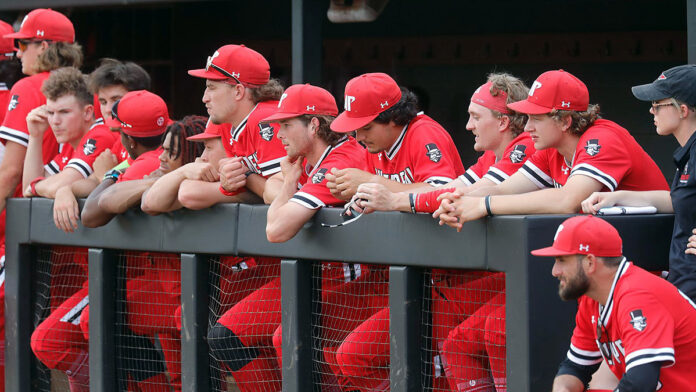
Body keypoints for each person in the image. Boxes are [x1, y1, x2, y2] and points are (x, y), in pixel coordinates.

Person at [436, 69, 669, 229]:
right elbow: (503, 190)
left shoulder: (603, 138)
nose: (527, 127)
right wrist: (457, 200)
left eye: (536, 118)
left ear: (565, 121)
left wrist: (483, 206)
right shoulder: (550, 147)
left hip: (652, 262)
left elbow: (568, 200)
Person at [23, 67, 115, 392]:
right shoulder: (67, 146)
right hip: (89, 269)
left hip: (121, 269)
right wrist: (35, 137)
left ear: (88, 112)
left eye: (63, 112)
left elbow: (42, 186)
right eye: (51, 112)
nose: (55, 121)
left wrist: (59, 187)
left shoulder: (99, 134)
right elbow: (29, 188)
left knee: (48, 341)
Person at [531, 215, 696, 392]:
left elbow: (640, 382)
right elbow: (575, 367)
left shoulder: (638, 295)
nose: (555, 271)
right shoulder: (592, 298)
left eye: (562, 260)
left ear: (590, 262)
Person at [581, 65, 696, 302]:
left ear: (683, 110)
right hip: (684, 287)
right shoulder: (689, 152)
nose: (651, 111)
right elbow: (678, 200)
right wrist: (617, 196)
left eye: (657, 104)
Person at [186, 44, 286, 200]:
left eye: (212, 87)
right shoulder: (228, 123)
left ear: (238, 91)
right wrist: (229, 182)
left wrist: (245, 175)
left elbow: (281, 196)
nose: (204, 98)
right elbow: (245, 186)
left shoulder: (265, 119)